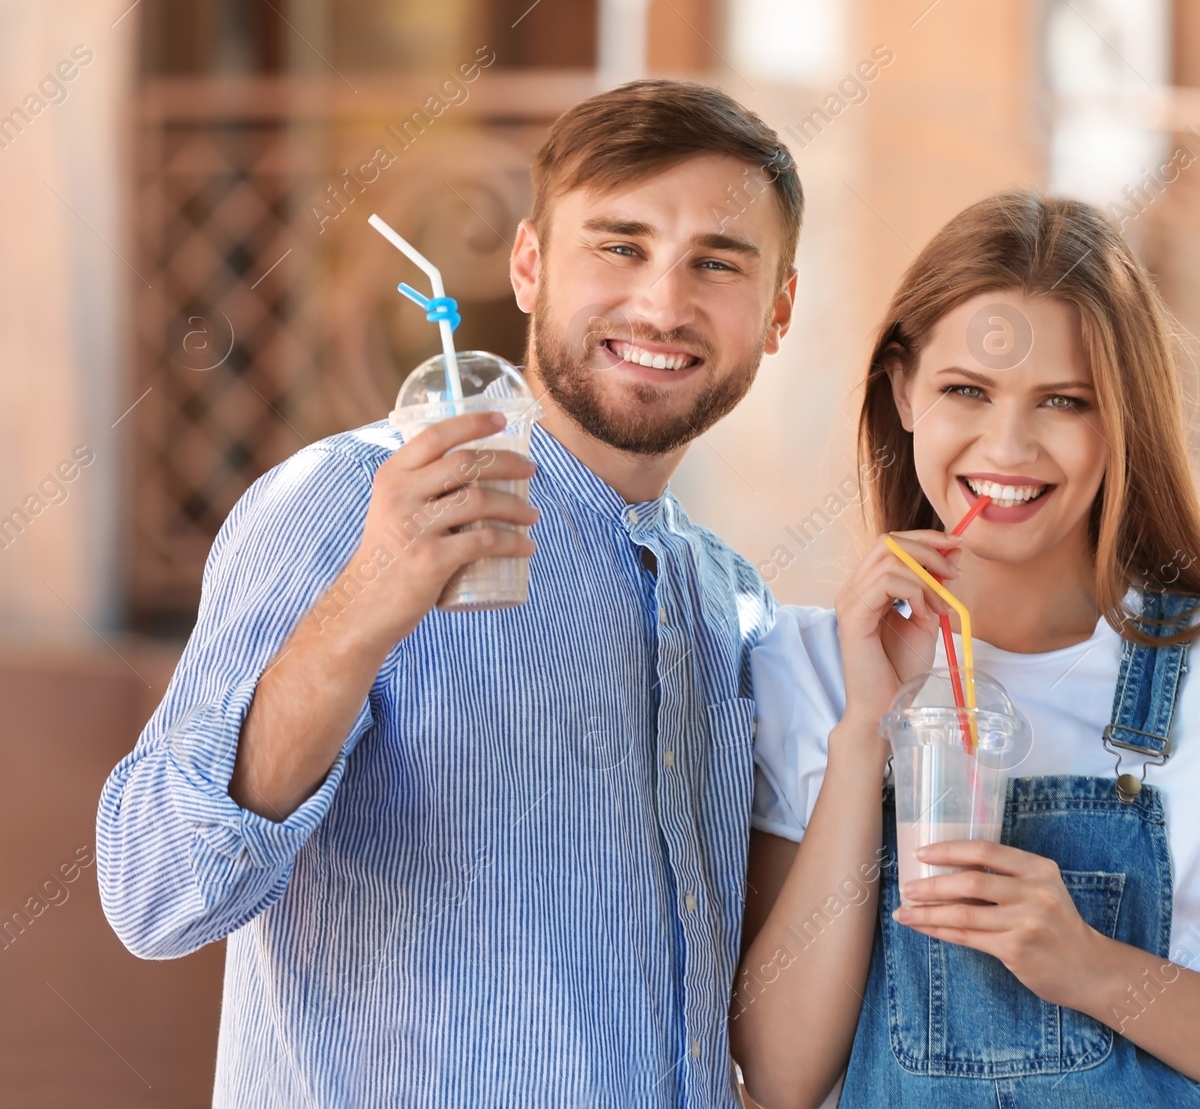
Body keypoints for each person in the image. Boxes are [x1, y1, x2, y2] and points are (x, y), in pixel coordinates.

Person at [96, 79, 801, 1108]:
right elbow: (157, 890)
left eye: (718, 263)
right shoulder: (342, 499)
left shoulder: (730, 602)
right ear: (527, 265)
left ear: (778, 311)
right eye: (619, 244)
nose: (662, 302)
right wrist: (369, 601)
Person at [729, 191, 1200, 1109]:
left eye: (1063, 401)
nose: (1007, 444)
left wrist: (1093, 969)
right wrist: (866, 732)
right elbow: (779, 1079)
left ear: (1119, 417)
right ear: (903, 390)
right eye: (966, 390)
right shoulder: (807, 670)